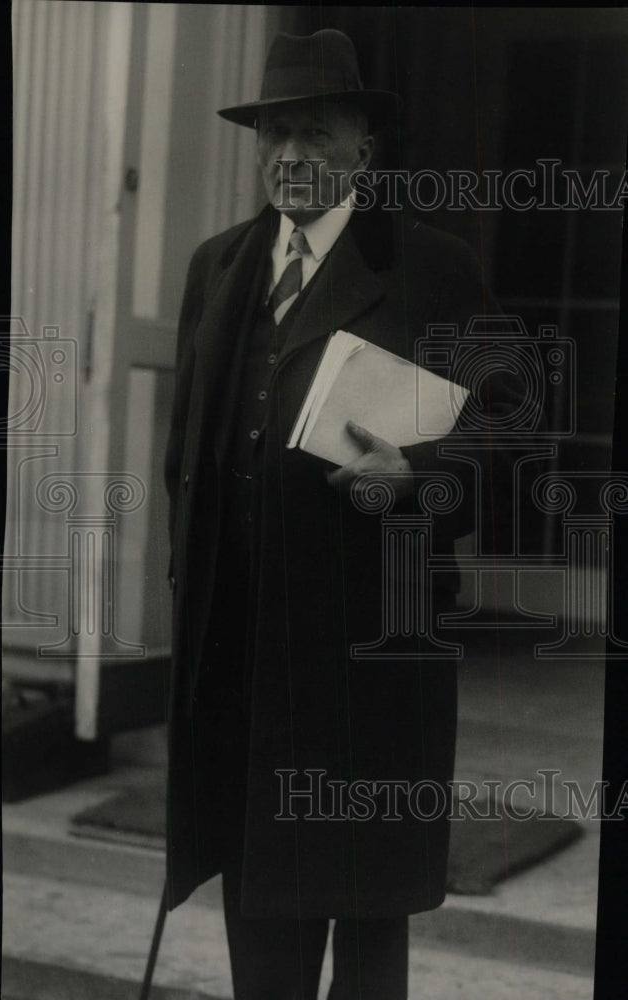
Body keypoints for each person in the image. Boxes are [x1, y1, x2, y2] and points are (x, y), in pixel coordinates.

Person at [164, 28, 532, 1000]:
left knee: (365, 921)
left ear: (362, 149)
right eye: (274, 134)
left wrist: (418, 475)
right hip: (246, 653)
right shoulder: (219, 265)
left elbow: (515, 418)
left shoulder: (426, 266)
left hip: (368, 657)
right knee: (258, 907)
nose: (290, 156)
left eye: (316, 134)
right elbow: (184, 458)